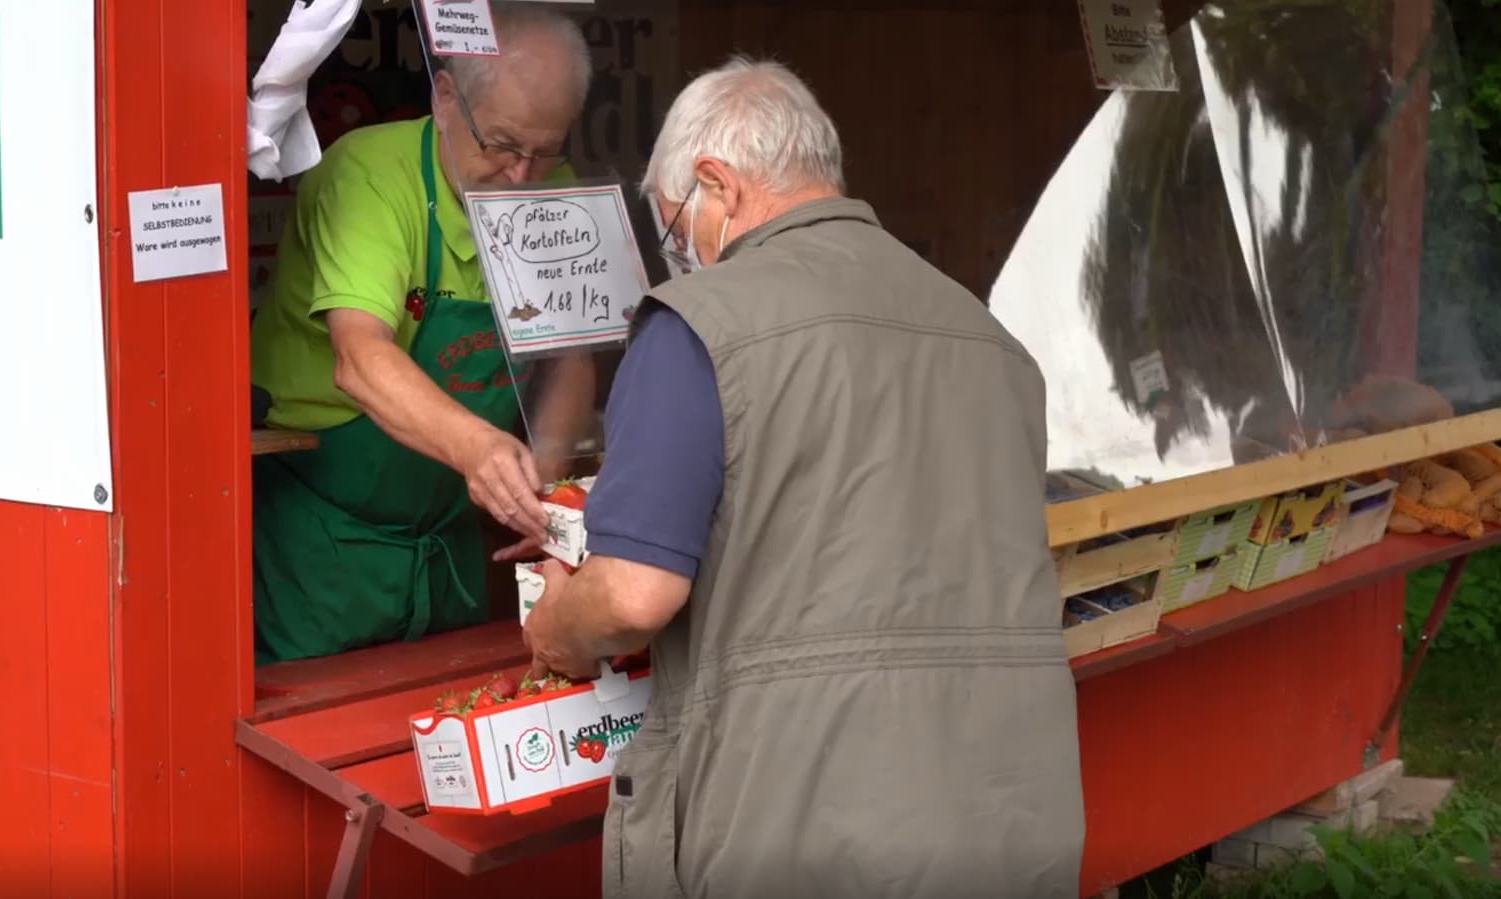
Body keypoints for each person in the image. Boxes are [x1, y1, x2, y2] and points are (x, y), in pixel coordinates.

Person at [522, 57, 1087, 898]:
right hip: (1012, 812)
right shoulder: (990, 339)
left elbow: (634, 595)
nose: (683, 259)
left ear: (719, 186)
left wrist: (557, 628)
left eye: (676, 231)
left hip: (809, 822)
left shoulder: (697, 327)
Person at [249, 6, 597, 665]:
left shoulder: (552, 191)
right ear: (445, 98)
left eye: (545, 152)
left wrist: (543, 495)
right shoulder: (370, 177)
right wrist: (478, 449)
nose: (522, 176)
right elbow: (359, 356)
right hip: (322, 543)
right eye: (502, 145)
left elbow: (570, 356)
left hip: (447, 541)